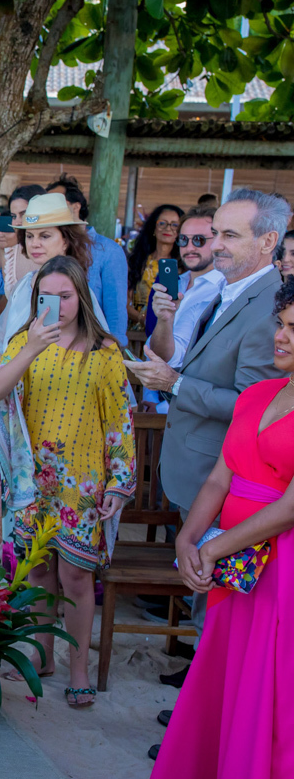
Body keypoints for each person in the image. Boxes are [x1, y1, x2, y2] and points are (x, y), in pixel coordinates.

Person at [127, 189, 289, 715]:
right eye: (214, 232)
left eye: (227, 235)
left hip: (226, 479)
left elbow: (254, 404)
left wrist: (174, 384)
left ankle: (203, 722)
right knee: (207, 605)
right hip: (200, 468)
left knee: (213, 609)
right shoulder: (231, 289)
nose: (213, 244)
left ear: (269, 241)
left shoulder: (270, 306)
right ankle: (199, 710)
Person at [151, 279, 294, 779]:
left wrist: (214, 551)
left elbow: (290, 507)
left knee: (269, 687)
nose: (281, 336)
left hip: (281, 571)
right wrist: (189, 539)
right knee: (225, 673)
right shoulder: (257, 394)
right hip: (233, 567)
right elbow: (219, 477)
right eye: (281, 323)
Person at [0, 257, 136, 709]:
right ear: (36, 300)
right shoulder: (22, 341)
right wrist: (31, 348)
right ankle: (42, 654)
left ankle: (78, 669)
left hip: (83, 481)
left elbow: (120, 421)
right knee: (37, 568)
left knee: (75, 575)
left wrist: (119, 481)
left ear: (81, 297)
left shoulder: (104, 350)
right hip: (33, 480)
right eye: (47, 297)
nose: (58, 305)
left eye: (66, 296)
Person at [0, 193, 110, 365]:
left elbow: (99, 351)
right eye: (29, 236)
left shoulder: (76, 289)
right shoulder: (22, 286)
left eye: (44, 236)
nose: (34, 243)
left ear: (66, 240)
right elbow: (0, 344)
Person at [143, 207, 224, 413]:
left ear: (218, 240)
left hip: (195, 402)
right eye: (184, 240)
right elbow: (155, 344)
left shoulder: (225, 290)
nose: (189, 247)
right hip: (157, 393)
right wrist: (151, 396)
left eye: (199, 240)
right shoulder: (172, 283)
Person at [46, 174, 129, 344]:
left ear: (75, 207)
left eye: (56, 204)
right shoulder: (48, 246)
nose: (49, 210)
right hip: (48, 346)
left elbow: (116, 315)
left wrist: (114, 352)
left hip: (94, 350)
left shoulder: (108, 251)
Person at [0, 184, 46, 297]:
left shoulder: (57, 245)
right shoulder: (12, 249)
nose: (17, 222)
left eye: (24, 214)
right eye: (13, 216)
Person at [127, 205, 185, 332]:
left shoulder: (184, 265)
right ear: (153, 227)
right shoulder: (138, 261)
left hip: (170, 333)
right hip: (136, 334)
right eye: (162, 223)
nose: (168, 228)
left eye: (174, 225)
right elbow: (125, 303)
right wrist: (143, 319)